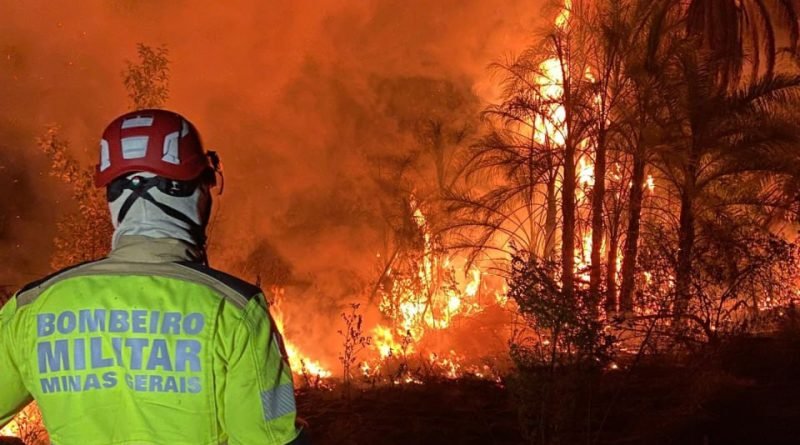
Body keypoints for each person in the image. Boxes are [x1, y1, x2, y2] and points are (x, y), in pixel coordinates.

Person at [0, 109, 308, 445]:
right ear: (196, 192)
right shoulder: (238, 311)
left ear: (112, 196)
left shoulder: (30, 308)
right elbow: (272, 438)